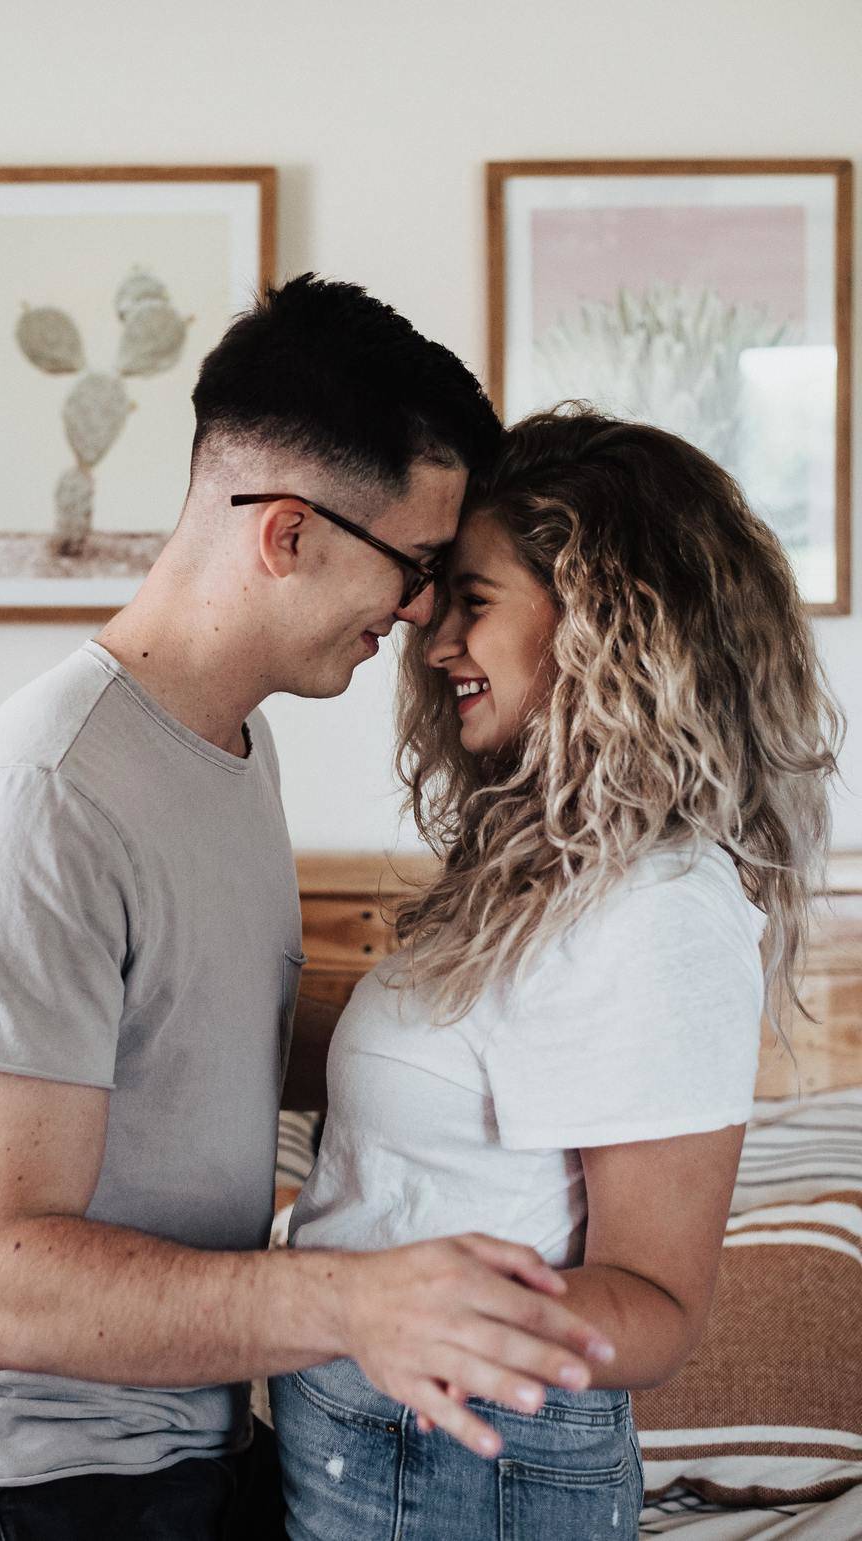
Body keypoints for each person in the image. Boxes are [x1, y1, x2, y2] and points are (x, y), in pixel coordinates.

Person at [0, 282, 618, 1539]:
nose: (417, 613)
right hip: (15, 1482)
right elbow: (10, 1289)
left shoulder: (233, 746)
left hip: (181, 1442)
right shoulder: (43, 803)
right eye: (413, 566)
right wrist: (357, 1303)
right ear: (288, 533)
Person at [270, 405, 842, 1540]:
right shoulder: (539, 868)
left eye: (471, 602)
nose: (435, 645)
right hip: (370, 1436)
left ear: (603, 621)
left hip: (465, 1463)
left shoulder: (662, 906)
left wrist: (395, 1307)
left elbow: (660, 1308)